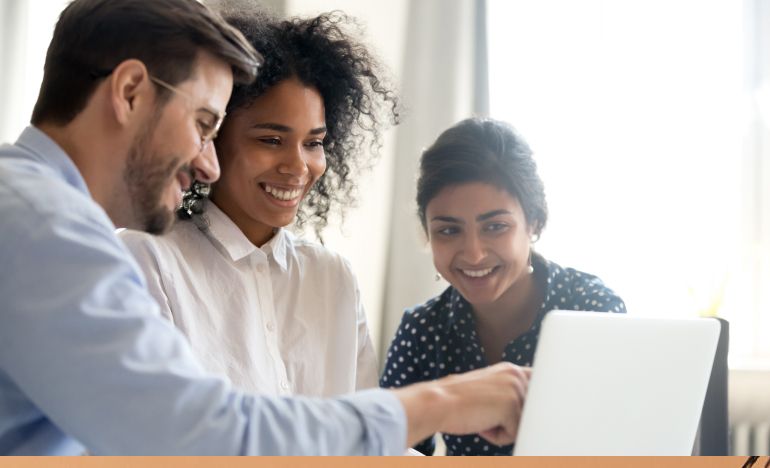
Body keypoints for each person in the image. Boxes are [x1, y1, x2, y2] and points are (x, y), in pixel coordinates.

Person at [0, 0, 530, 455]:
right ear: (131, 91)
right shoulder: (46, 229)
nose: (207, 164)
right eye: (203, 124)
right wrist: (443, 402)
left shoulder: (32, 210)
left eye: (313, 142)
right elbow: (200, 436)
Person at [119, 10, 396, 398]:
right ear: (211, 139)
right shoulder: (147, 259)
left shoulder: (333, 278)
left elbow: (363, 427)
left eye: (313, 143)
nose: (298, 166)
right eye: (271, 140)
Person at [381, 117, 627, 456]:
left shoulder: (591, 309)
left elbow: (621, 440)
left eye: (495, 226)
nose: (474, 253)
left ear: (534, 222)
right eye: (449, 231)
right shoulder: (421, 331)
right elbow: (388, 449)